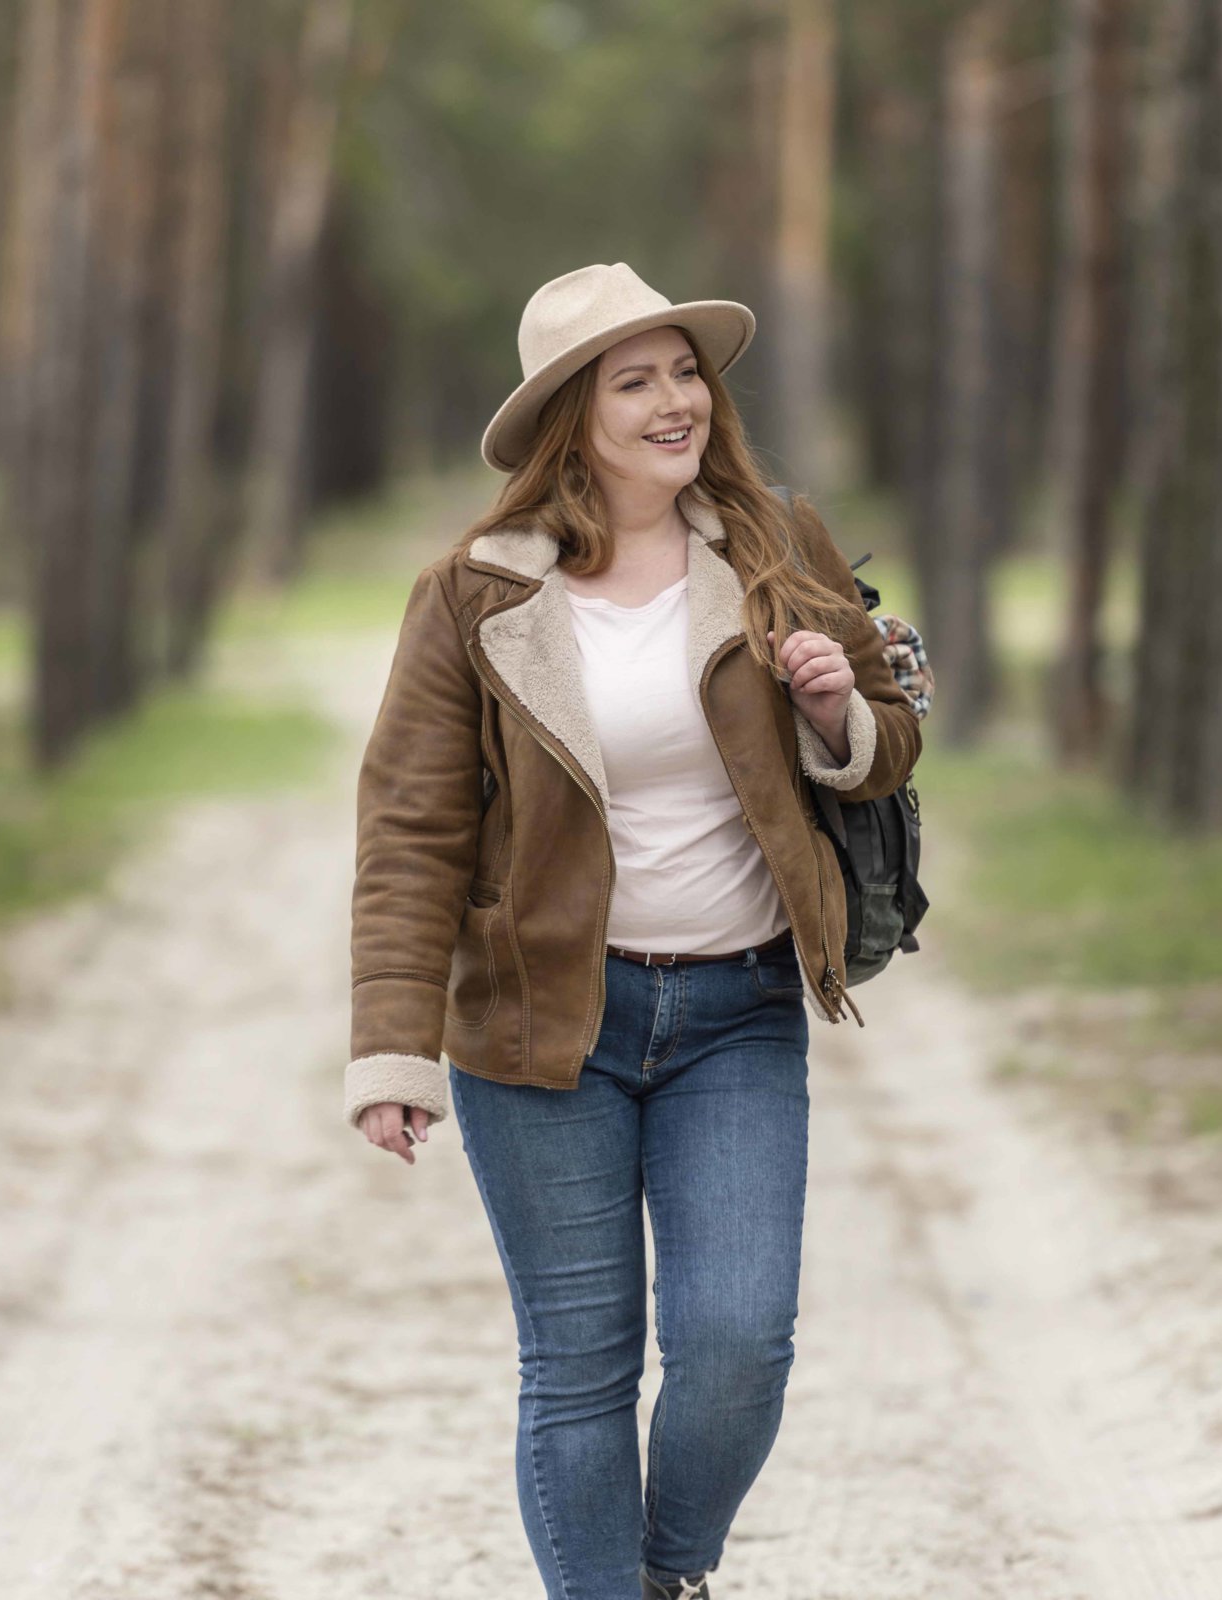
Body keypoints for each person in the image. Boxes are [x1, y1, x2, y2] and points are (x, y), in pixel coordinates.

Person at [343, 261, 922, 1600]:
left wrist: (840, 712)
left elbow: (886, 746)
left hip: (737, 1014)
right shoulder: (473, 598)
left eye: (685, 374)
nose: (677, 403)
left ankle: (662, 1572)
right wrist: (390, 1051)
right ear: (570, 417)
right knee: (581, 1365)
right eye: (636, 381)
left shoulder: (780, 547)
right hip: (545, 1027)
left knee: (738, 1342)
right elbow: (410, 834)